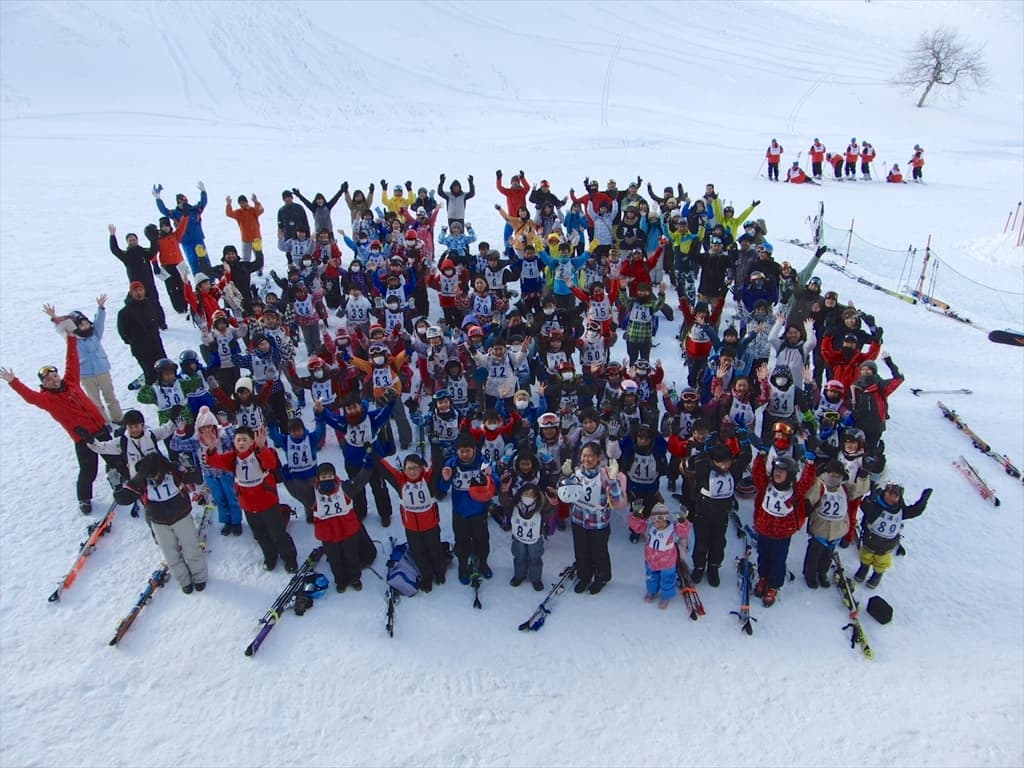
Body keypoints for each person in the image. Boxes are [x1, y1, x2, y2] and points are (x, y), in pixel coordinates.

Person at [1, 325, 127, 515]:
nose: (54, 380)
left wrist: (70, 339)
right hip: (83, 439)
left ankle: (119, 481)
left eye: (54, 376)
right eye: (48, 380)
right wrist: (13, 381)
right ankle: (84, 498)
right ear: (43, 385)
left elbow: (72, 361)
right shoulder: (46, 400)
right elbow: (29, 396)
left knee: (115, 459)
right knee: (88, 471)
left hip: (100, 428)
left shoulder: (71, 382)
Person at [199, 425, 299, 573]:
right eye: (238, 440)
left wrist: (261, 447)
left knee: (278, 533)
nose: (241, 443)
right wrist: (212, 448)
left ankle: (289, 558)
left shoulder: (261, 454)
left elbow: (270, 463)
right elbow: (215, 462)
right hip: (249, 506)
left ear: (252, 441)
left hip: (268, 504)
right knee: (260, 535)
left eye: (244, 440)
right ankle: (270, 556)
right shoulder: (233, 457)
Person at [117, 453, 208, 593]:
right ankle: (184, 580)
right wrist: (119, 488)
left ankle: (199, 577)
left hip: (181, 516)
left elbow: (196, 477)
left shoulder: (174, 470)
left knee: (192, 548)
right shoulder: (141, 479)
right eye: (152, 474)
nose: (156, 477)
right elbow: (124, 498)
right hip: (159, 522)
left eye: (158, 473)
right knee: (170, 554)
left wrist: (189, 468)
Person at [750, 451, 817, 607]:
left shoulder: (794, 493)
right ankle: (763, 577)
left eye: (782, 472)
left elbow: (807, 482)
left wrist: (810, 463)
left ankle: (774, 585)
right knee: (763, 557)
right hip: (764, 530)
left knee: (778, 561)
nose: (778, 474)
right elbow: (757, 473)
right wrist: (761, 455)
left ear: (791, 475)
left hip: (782, 535)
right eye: (776, 470)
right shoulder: (766, 485)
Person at [43, 296, 123, 425]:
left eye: (86, 323)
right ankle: (103, 423)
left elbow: (99, 321)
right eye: (82, 324)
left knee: (110, 396)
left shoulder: (95, 334)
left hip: (102, 370)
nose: (85, 326)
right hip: (86, 374)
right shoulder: (72, 339)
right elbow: (61, 329)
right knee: (95, 401)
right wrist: (54, 317)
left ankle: (119, 418)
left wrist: (101, 307)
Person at [562, 442, 627, 595]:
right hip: (579, 521)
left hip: (598, 523)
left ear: (598, 458)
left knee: (599, 553)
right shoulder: (577, 474)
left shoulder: (604, 475)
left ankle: (601, 577)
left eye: (590, 456)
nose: (587, 459)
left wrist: (612, 480)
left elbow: (617, 498)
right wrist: (566, 477)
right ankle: (584, 576)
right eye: (584, 456)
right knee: (581, 551)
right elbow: (566, 493)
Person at [378, 452, 447, 592]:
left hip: (430, 526)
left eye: (416, 467)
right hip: (411, 528)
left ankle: (440, 573)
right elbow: (385, 470)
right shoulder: (400, 482)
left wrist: (434, 444)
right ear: (403, 470)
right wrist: (371, 452)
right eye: (409, 468)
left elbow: (438, 463)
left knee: (435, 550)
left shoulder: (428, 480)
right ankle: (427, 576)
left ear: (422, 468)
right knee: (418, 553)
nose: (412, 471)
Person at [438, 433, 498, 585]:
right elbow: (442, 488)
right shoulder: (451, 464)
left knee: (482, 539)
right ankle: (463, 565)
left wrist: (491, 476)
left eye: (468, 451)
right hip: (460, 512)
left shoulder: (482, 463)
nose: (464, 454)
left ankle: (482, 562)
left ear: (474, 450)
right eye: (461, 451)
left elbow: (495, 485)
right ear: (456, 451)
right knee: (462, 540)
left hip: (479, 510)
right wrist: (445, 480)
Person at [856, 480, 931, 588]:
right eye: (890, 494)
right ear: (885, 493)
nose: (892, 498)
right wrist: (871, 497)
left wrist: (923, 501)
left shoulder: (900, 510)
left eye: (895, 496)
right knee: (865, 556)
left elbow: (915, 511)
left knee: (882, 562)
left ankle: (877, 575)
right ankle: (863, 568)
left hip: (887, 544)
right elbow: (865, 506)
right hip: (870, 539)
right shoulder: (877, 505)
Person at [627, 501, 691, 608]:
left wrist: (682, 522)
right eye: (657, 521)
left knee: (668, 579)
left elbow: (683, 532)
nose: (660, 524)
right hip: (651, 560)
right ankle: (651, 591)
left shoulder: (672, 529)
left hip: (667, 561)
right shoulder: (649, 527)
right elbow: (637, 526)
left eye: (663, 521)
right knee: (651, 577)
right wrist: (636, 515)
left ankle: (666, 596)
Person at [801, 459, 850, 589]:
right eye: (832, 475)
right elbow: (808, 496)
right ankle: (810, 575)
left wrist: (863, 475)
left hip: (836, 531)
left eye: (838, 476)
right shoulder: (819, 485)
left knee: (827, 557)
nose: (834, 478)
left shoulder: (844, 488)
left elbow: (860, 490)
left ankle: (822, 573)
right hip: (819, 530)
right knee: (813, 555)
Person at [108, 224, 166, 328]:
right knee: (139, 305)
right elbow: (115, 250)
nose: (132, 241)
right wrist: (112, 236)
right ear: (127, 242)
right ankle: (147, 324)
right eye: (130, 240)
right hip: (136, 287)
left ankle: (161, 322)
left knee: (154, 303)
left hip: (149, 283)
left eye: (134, 239)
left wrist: (153, 238)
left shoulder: (144, 252)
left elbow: (154, 249)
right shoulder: (126, 255)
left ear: (137, 240)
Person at [155, 182, 211, 275]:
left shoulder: (194, 210)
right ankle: (198, 280)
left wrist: (203, 192)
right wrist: (158, 198)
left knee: (204, 260)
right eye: (181, 202)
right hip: (186, 241)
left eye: (185, 201)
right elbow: (163, 210)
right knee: (193, 262)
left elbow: (203, 203)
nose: (184, 204)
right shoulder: (175, 213)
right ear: (178, 203)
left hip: (198, 239)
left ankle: (210, 279)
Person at [117, 281, 168, 385]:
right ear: (131, 293)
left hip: (156, 343)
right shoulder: (124, 313)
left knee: (165, 368)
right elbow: (123, 332)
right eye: (136, 291)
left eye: (141, 290)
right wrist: (135, 340)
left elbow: (156, 320)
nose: (139, 293)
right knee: (151, 374)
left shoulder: (149, 304)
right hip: (141, 348)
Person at [224, 194, 264, 262]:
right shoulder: (238, 212)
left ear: (247, 202)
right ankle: (245, 271)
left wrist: (256, 202)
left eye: (244, 202)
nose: (243, 204)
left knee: (258, 256)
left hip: (256, 238)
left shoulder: (252, 210)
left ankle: (259, 271)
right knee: (246, 258)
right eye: (241, 203)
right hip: (246, 239)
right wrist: (228, 204)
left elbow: (261, 210)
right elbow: (229, 213)